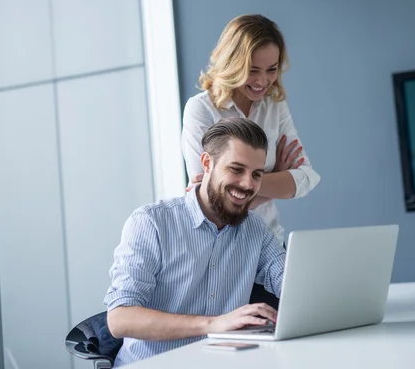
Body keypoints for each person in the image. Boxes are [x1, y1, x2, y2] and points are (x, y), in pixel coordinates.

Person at [104, 118, 286, 366]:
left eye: (256, 174)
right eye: (236, 169)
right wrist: (215, 324)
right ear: (207, 163)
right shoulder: (151, 223)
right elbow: (119, 320)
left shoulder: (255, 229)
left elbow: (292, 284)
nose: (247, 184)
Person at [181, 14, 320, 308]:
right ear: (232, 64)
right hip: (221, 253)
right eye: (252, 70)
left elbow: (307, 177)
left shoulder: (274, 105)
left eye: (271, 70)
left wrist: (237, 186)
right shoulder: (201, 110)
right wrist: (275, 180)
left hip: (270, 245)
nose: (262, 81)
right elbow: (208, 199)